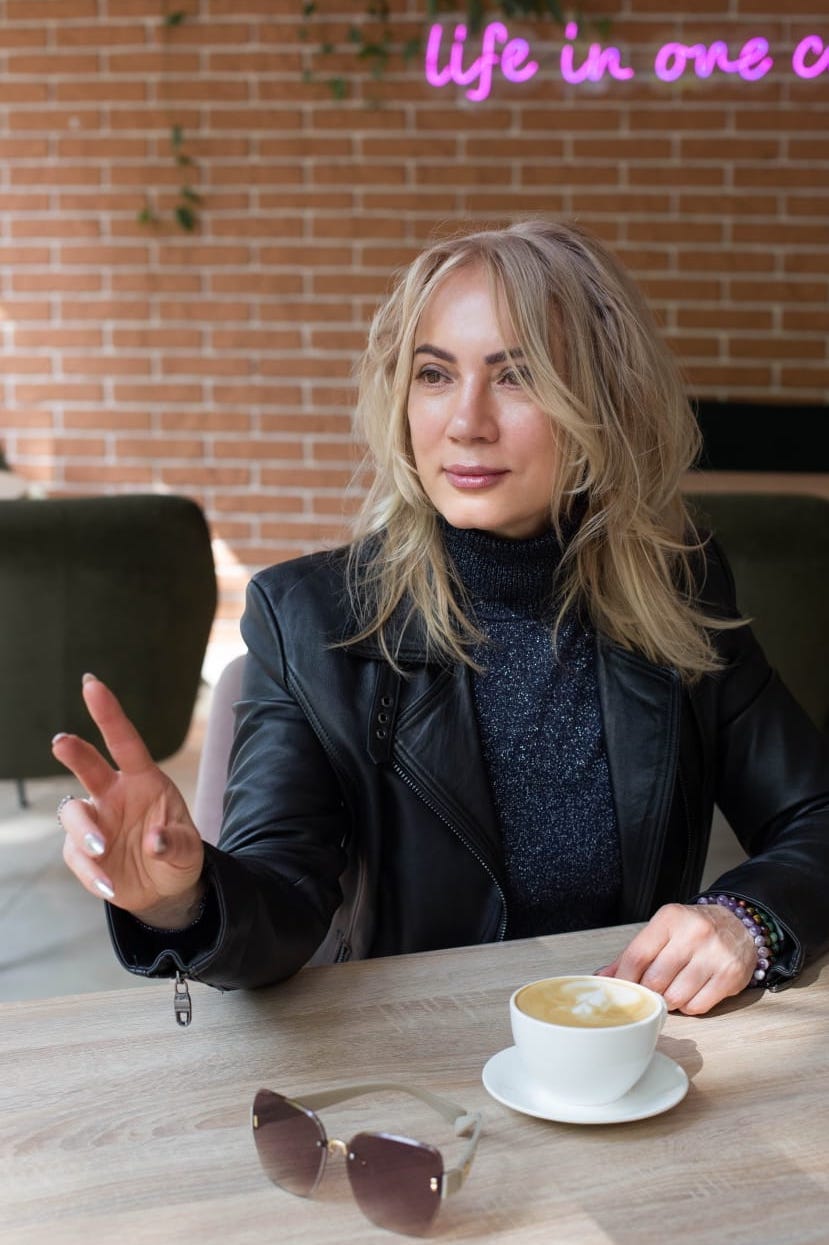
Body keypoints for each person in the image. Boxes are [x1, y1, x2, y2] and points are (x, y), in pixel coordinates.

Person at [54, 219, 829, 1020]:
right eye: (433, 373)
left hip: (618, 1045)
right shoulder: (309, 616)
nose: (465, 421)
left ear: (605, 401)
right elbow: (280, 897)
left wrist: (746, 919)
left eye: (516, 375)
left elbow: (813, 815)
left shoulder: (679, 583)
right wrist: (179, 898)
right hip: (416, 1053)